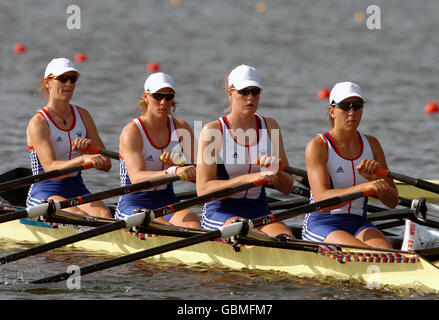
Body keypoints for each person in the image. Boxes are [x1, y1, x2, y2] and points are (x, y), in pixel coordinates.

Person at [196, 64, 294, 239]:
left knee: (287, 239)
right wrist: (251, 178)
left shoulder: (270, 126)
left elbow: (287, 188)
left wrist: (275, 170)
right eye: (244, 92)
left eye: (255, 92)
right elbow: (203, 189)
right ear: (230, 93)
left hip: (259, 210)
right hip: (221, 212)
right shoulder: (212, 131)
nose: (250, 97)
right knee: (258, 238)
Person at [302, 81, 398, 248]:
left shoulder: (373, 145)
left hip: (359, 223)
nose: (352, 112)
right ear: (332, 111)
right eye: (345, 107)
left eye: (357, 106)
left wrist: (376, 180)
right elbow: (322, 201)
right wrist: (364, 188)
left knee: (387, 254)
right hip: (322, 224)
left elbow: (392, 201)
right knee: (367, 254)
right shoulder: (318, 146)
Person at [26, 58, 112, 218]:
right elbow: (51, 169)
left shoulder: (83, 116)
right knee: (76, 215)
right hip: (44, 191)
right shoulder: (39, 122)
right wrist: (83, 159)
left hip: (76, 188)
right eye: (63, 79)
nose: (69, 84)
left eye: (73, 79)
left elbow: (107, 165)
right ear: (47, 82)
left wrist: (92, 151)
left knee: (103, 213)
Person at [115, 72, 200, 228]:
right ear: (146, 96)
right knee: (163, 227)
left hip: (167, 201)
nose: (163, 102)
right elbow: (137, 178)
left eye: (169, 96)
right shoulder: (132, 131)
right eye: (157, 96)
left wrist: (181, 163)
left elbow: (201, 174)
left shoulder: (181, 128)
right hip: (133, 202)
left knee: (193, 223)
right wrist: (173, 171)